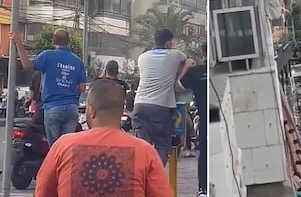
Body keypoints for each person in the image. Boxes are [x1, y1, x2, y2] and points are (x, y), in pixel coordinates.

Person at [35, 78, 173, 197]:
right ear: (122, 112)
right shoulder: (146, 152)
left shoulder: (63, 146)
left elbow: (43, 191)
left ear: (91, 111)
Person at [10, 29, 86, 146]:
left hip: (53, 107)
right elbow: (82, 87)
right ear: (68, 41)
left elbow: (27, 65)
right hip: (72, 108)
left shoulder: (47, 55)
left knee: (54, 149)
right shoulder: (78, 62)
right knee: (65, 148)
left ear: (53, 41)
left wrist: (18, 43)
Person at [133, 29, 193, 166]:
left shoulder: (142, 57)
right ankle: (155, 178)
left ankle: (143, 177)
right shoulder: (175, 55)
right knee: (162, 147)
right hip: (159, 108)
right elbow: (187, 62)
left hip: (139, 106)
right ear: (168, 43)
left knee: (143, 147)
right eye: (172, 42)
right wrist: (182, 73)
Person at [175, 42, 207, 197]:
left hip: (206, 119)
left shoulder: (196, 72)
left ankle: (203, 189)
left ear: (203, 53)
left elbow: (177, 87)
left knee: (206, 153)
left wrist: (186, 67)